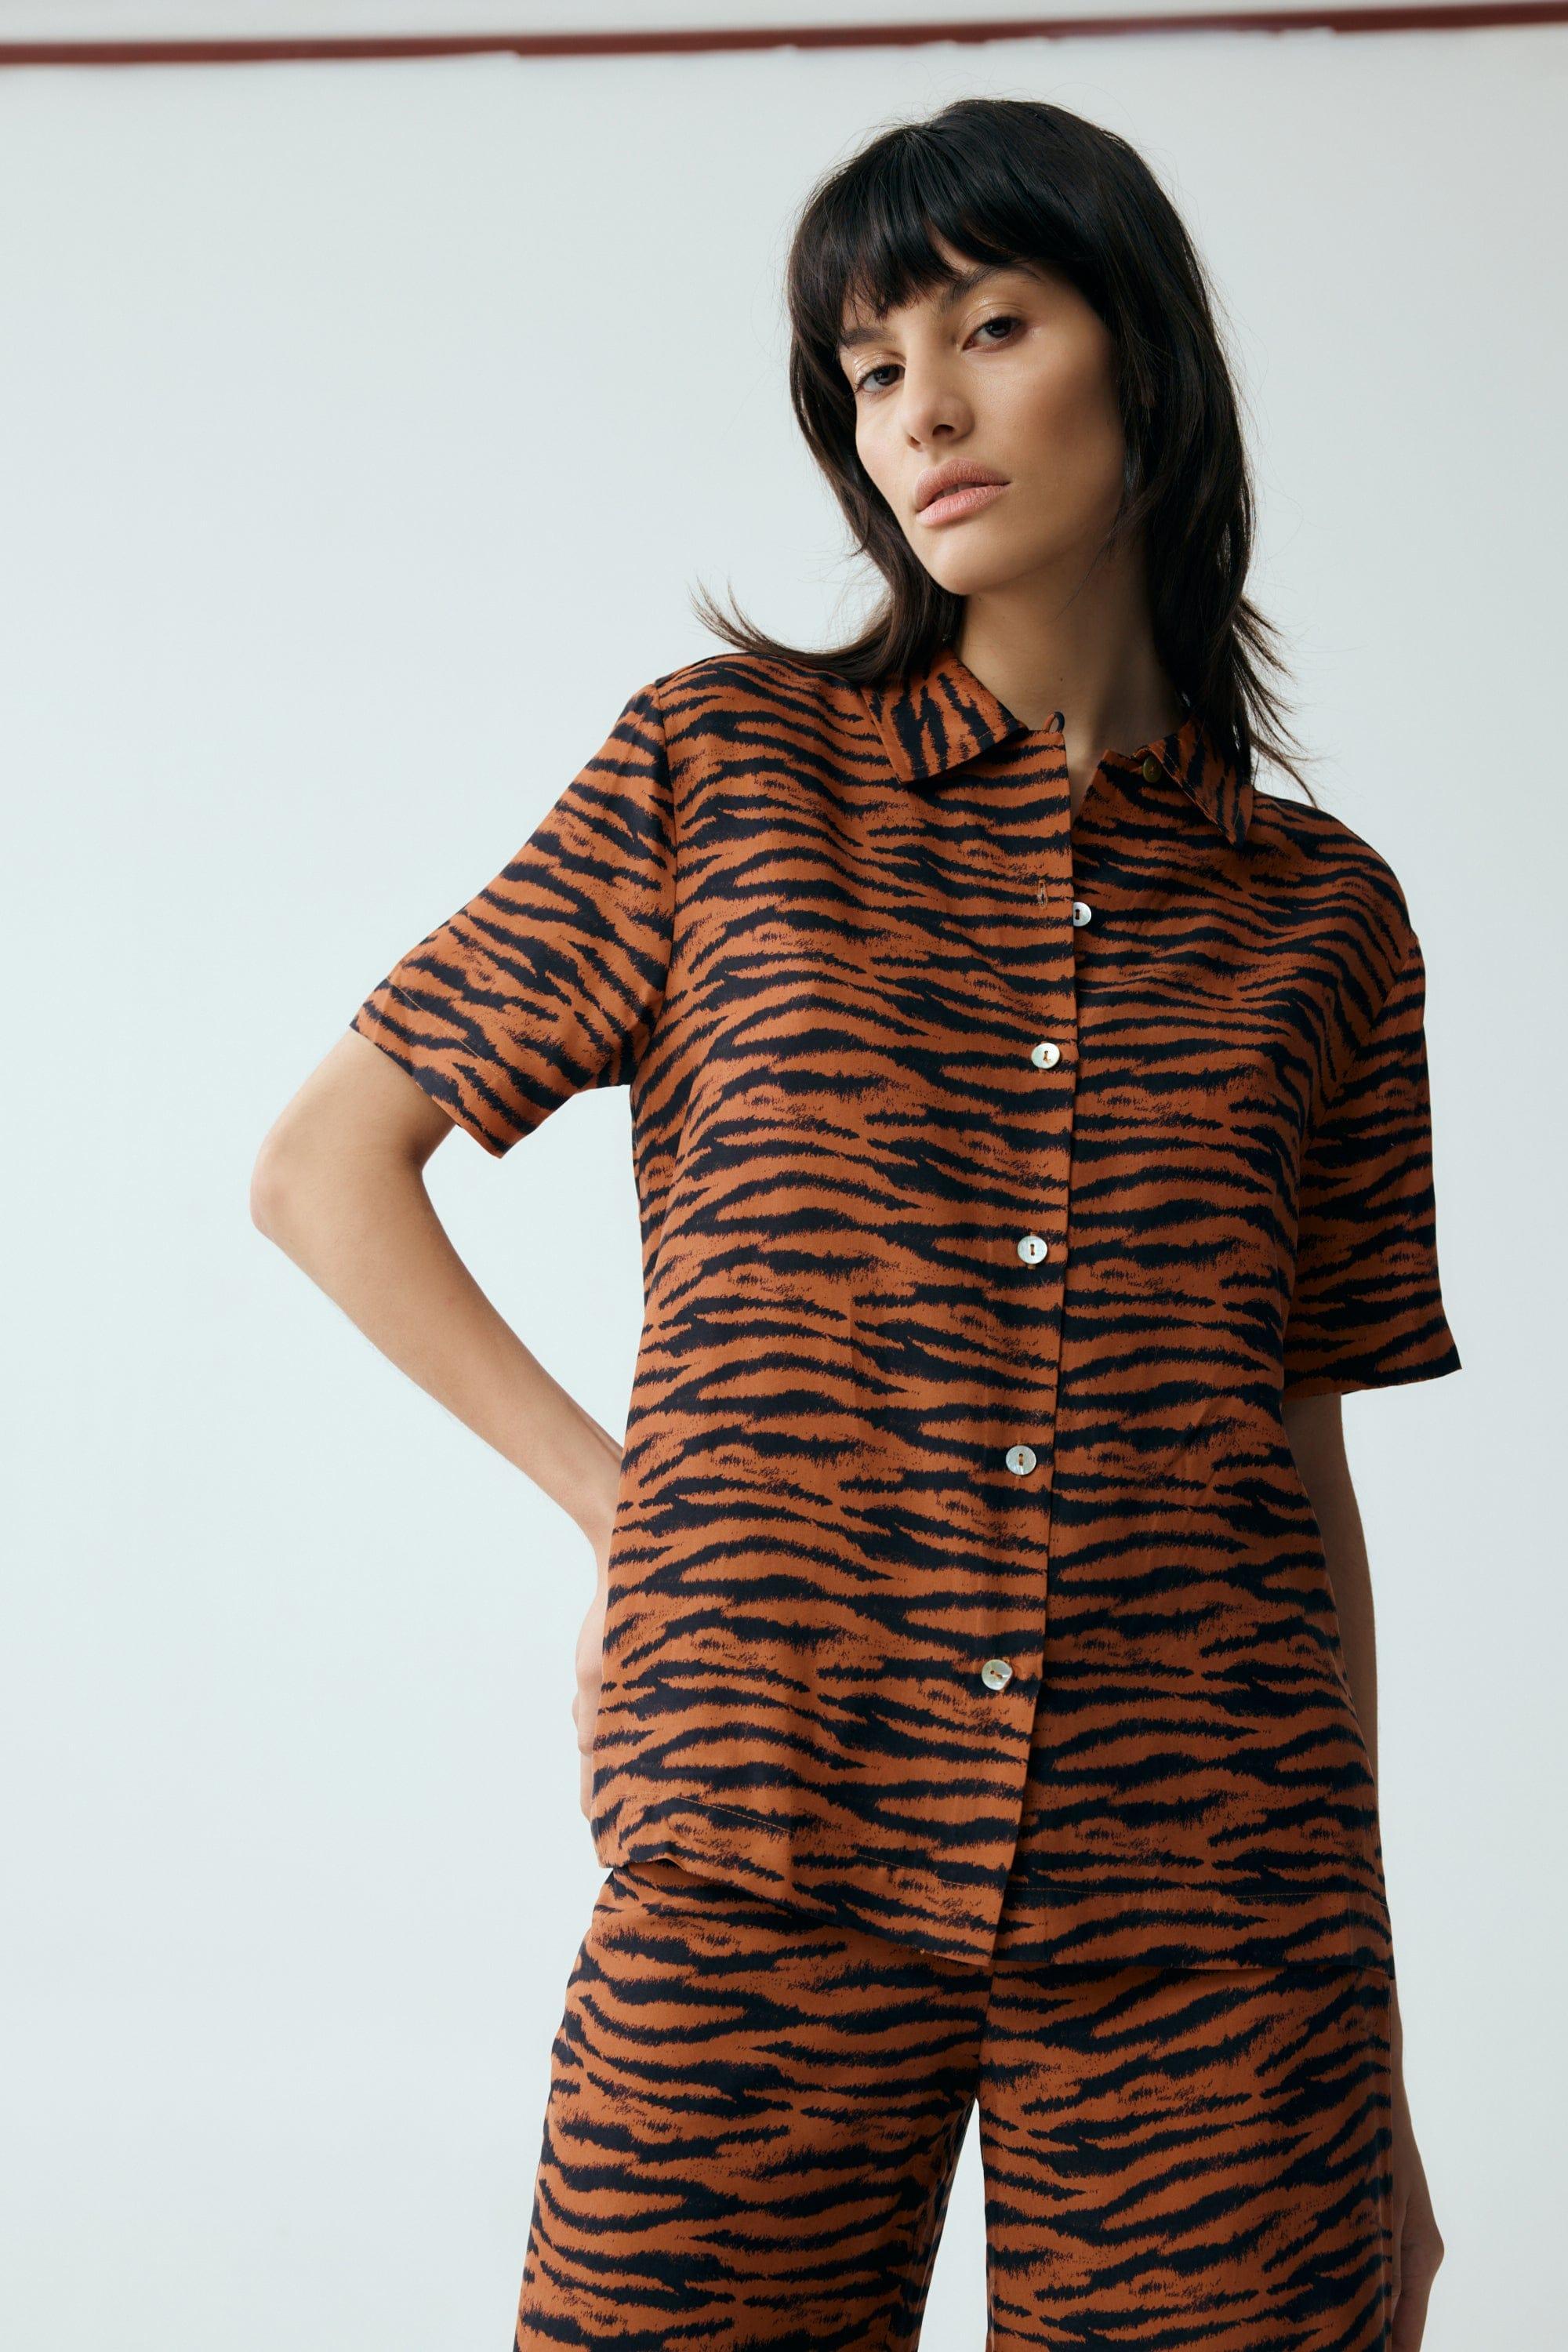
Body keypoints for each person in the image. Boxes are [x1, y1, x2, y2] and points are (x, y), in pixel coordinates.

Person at [252, 95, 1459, 2352]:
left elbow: (1303, 1468)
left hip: (1217, 1913)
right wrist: (624, 1512)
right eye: (873, 369)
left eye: (988, 329)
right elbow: (326, 1168)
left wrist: (1367, 2047)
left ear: (1143, 359)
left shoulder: (1323, 919)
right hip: (766, 1817)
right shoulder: (722, 774)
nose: (923, 411)